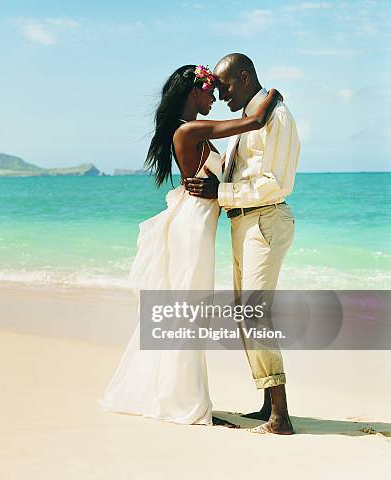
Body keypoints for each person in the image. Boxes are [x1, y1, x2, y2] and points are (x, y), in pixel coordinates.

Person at [97, 64, 282, 426]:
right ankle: (188, 402)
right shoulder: (192, 129)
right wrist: (273, 94)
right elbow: (256, 122)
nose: (214, 96)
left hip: (197, 225)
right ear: (193, 93)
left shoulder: (195, 132)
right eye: (209, 90)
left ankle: (179, 395)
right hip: (192, 229)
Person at [185, 53, 300, 435]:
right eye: (214, 88)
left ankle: (281, 417)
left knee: (254, 314)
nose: (220, 94)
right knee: (246, 316)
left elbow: (276, 183)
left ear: (246, 78)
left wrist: (222, 192)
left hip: (265, 219)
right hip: (244, 222)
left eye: (226, 86)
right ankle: (269, 404)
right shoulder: (252, 117)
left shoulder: (277, 117)